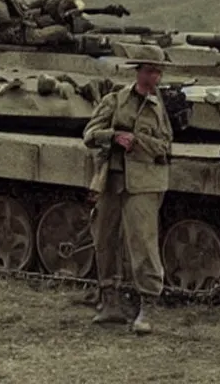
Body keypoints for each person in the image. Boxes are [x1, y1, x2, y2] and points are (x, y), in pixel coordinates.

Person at [82, 55, 173, 335]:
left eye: (158, 73)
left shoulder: (159, 107)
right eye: (149, 72)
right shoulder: (115, 100)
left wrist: (138, 141)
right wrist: (113, 136)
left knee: (143, 242)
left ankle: (147, 306)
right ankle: (110, 301)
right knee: (105, 239)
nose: (154, 78)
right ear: (139, 72)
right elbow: (89, 134)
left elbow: (166, 145)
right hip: (111, 180)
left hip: (144, 182)